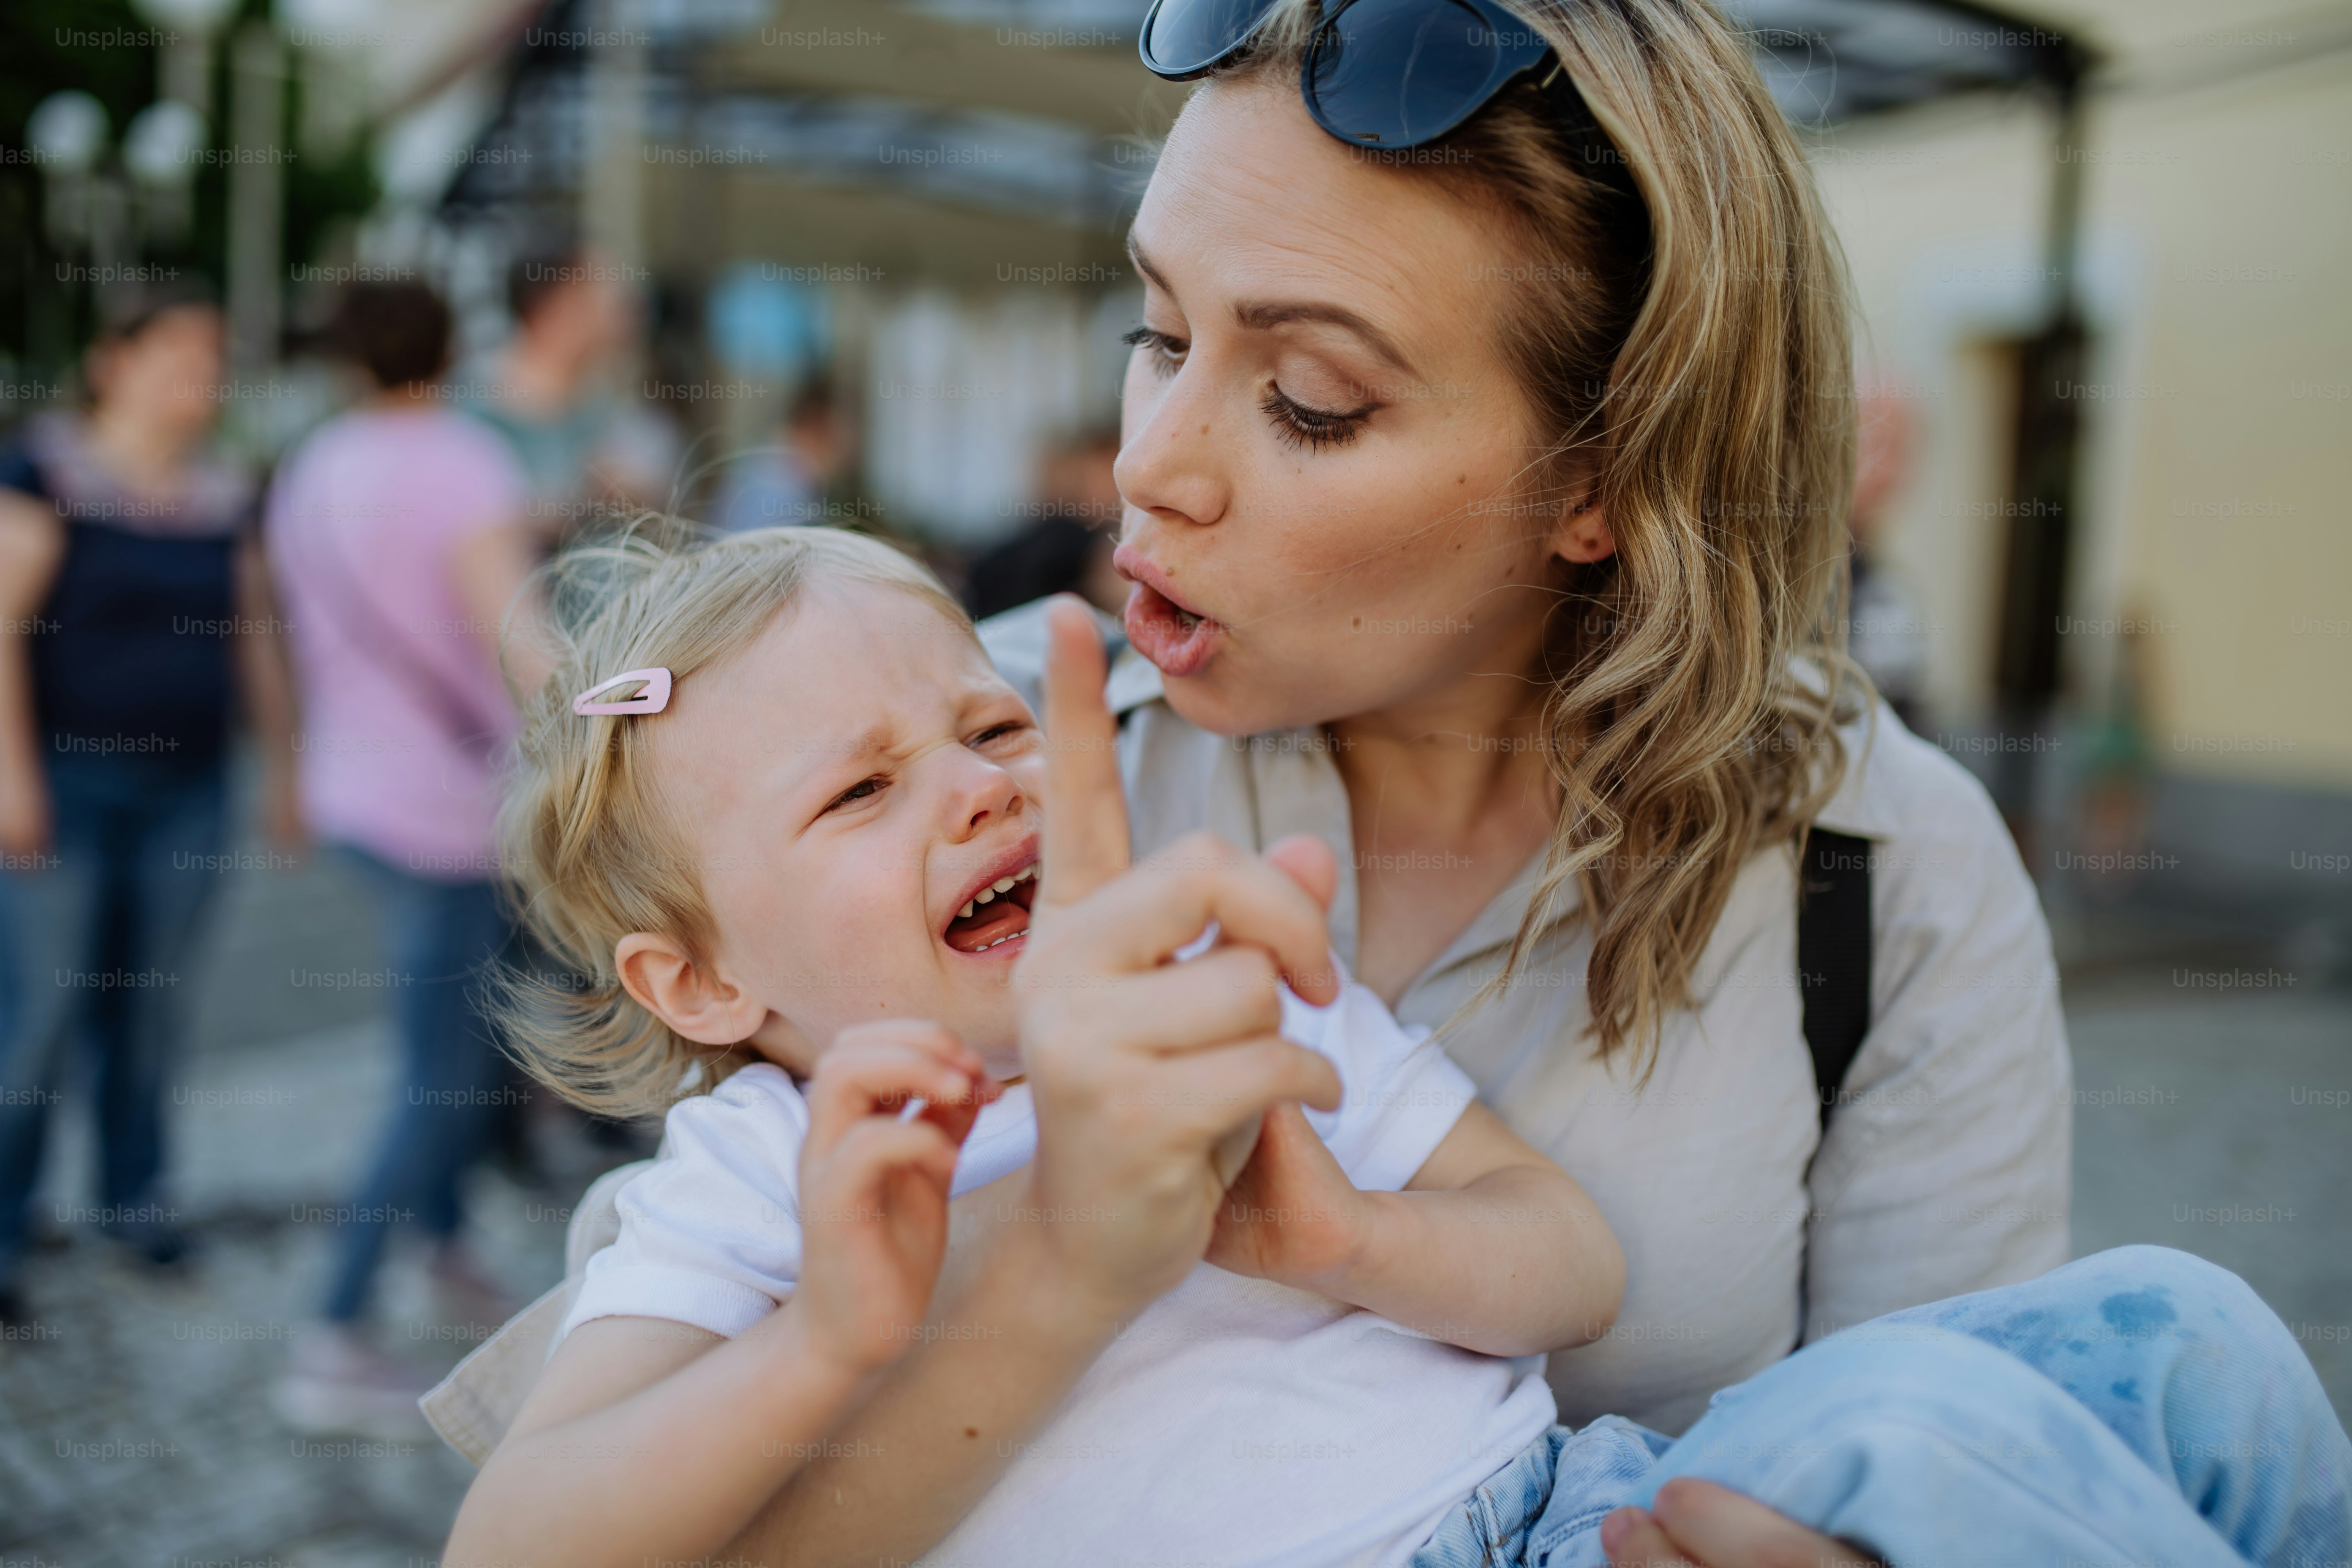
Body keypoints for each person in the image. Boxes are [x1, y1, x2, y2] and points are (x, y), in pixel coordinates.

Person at [588, 1, 2079, 1561]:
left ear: (1602, 480)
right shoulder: (946, 767)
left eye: (1309, 397)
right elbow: (639, 1504)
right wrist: (1054, 1260)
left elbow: (1955, 1466)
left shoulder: (1885, 864)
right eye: (1157, 334)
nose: (1150, 463)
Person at [435, 528, 2350, 1568]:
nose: (973, 790)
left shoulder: (1217, 976)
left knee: (2183, 1328)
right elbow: (524, 1549)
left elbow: (1560, 1252)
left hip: (1561, 1507)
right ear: (692, 985)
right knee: (1942, 1451)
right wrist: (828, 1344)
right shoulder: (762, 1183)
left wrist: (1329, 1237)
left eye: (991, 729)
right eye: (858, 793)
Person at [262, 280, 547, 1433]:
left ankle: (443, 1246)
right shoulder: (465, 463)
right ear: (446, 345)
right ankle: (331, 1333)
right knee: (438, 1078)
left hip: (357, 791)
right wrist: (611, 718)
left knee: (458, 1043)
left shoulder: (313, 464)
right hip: (450, 808)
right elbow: (515, 632)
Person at [0, 292, 294, 1323]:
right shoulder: (46, 475)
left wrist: (285, 770)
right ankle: (7, 1224)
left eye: (210, 356)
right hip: (65, 790)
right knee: (38, 1012)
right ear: (110, 363)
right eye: (174, 354)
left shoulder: (225, 493)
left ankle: (135, 1200)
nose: (198, 375)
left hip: (194, 788)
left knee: (152, 1007)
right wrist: (12, 777)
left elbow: (254, 635)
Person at [707, 373, 856, 532]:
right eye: (837, 441)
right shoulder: (779, 488)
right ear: (815, 430)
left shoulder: (775, 465)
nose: (844, 455)